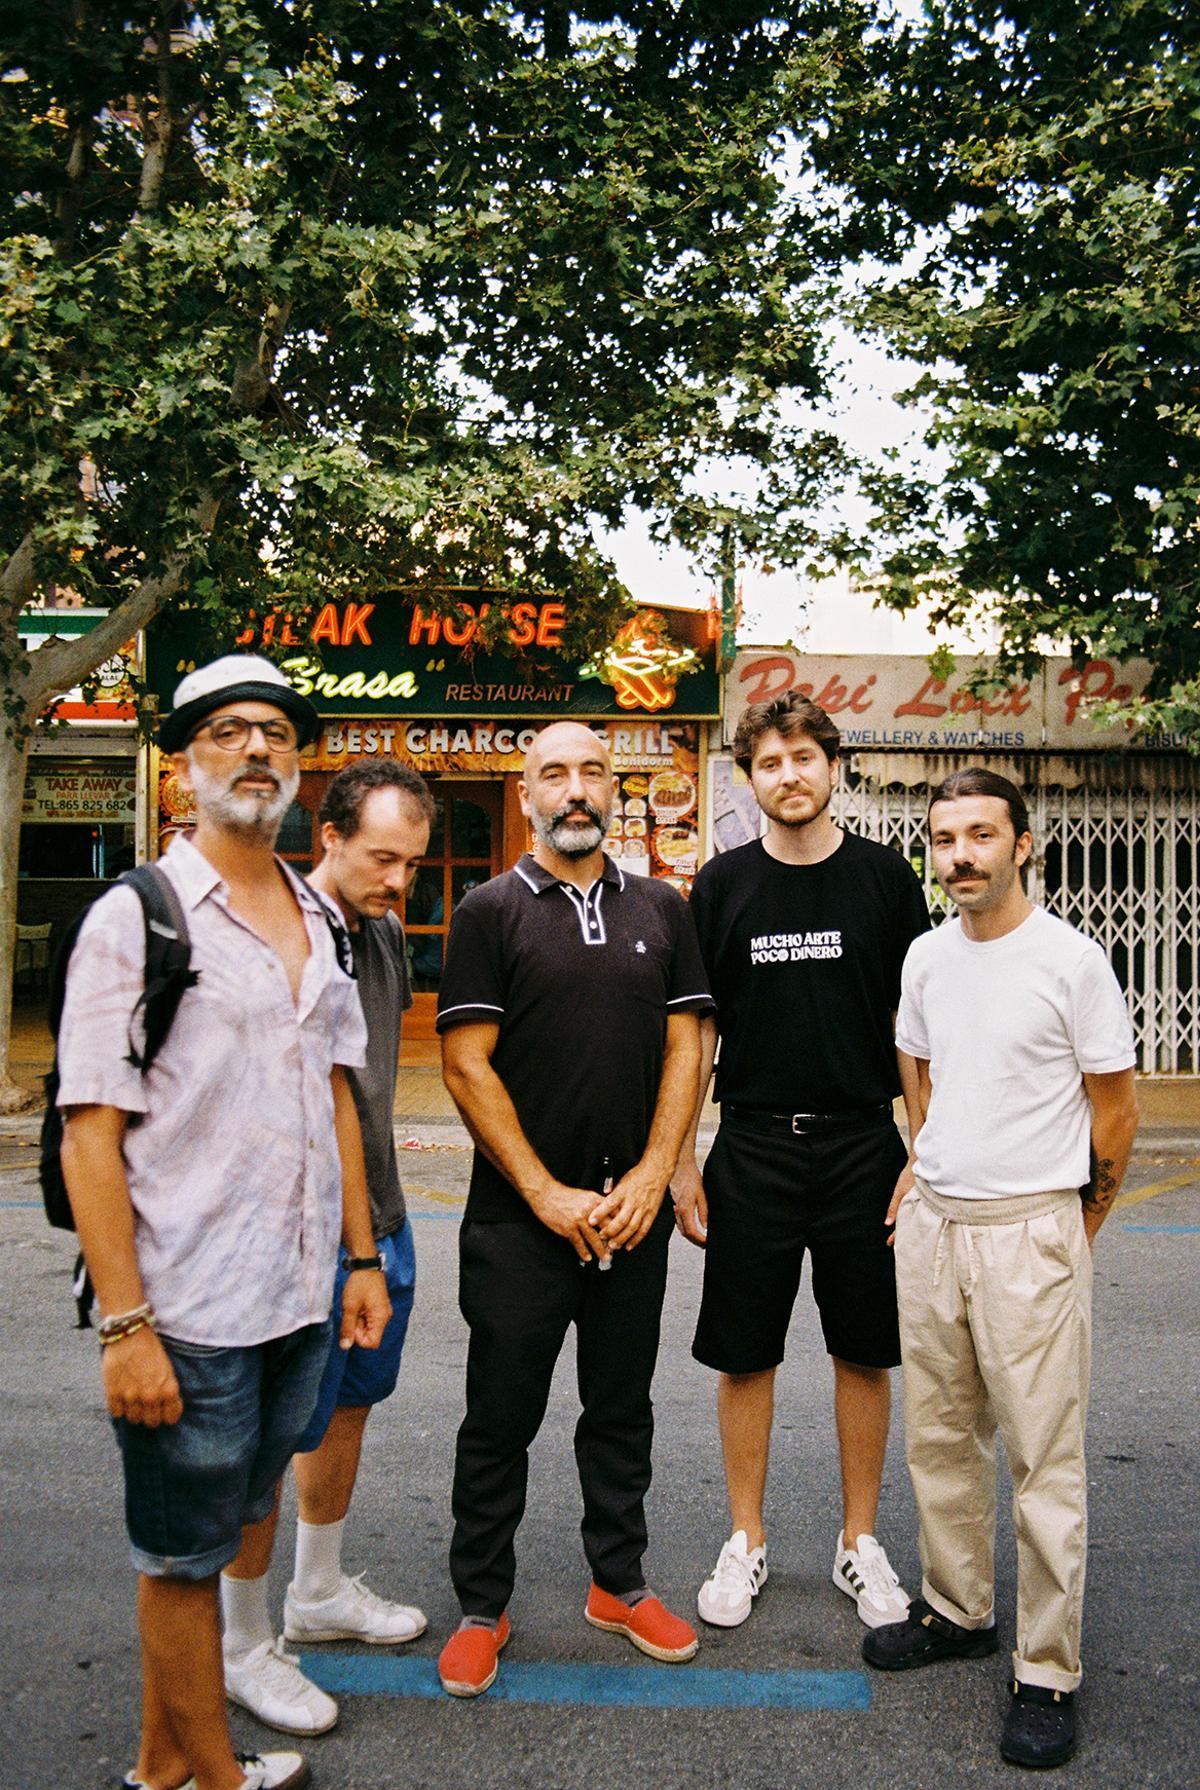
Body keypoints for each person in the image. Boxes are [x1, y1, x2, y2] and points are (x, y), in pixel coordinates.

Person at [57, 655, 391, 1790]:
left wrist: (359, 1257)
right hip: (186, 1308)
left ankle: (161, 1765)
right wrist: (126, 1326)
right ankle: (211, 1776)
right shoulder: (138, 916)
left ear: (297, 766)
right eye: (228, 731)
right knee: (181, 1560)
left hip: (295, 1295)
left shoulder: (318, 914)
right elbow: (89, 1133)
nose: (256, 748)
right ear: (185, 762)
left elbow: (336, 1093)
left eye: (276, 734)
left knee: (230, 1524)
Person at [863, 767, 1139, 1770]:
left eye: (981, 834)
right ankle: (958, 1608)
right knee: (940, 1435)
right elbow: (918, 1063)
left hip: (1032, 1229)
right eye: (945, 838)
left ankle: (1048, 1669)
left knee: (1042, 1459)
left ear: (1024, 845)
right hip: (935, 1226)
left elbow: (1117, 1108)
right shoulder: (927, 957)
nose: (961, 855)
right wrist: (926, 1155)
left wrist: (1079, 1222)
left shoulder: (1071, 961)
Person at [433, 721, 711, 1697]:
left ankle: (618, 1583)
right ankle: (482, 1605)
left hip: (631, 1217)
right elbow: (465, 1064)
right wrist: (544, 1191)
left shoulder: (663, 908)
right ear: (527, 794)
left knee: (621, 1407)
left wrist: (655, 1171)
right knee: (498, 1418)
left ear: (615, 787)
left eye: (593, 770)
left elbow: (688, 1044)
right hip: (519, 1223)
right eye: (554, 774)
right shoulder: (489, 911)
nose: (576, 789)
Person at [672, 692, 930, 1632]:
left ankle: (859, 1541)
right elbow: (697, 1035)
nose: (789, 775)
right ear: (750, 779)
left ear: (834, 767)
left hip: (864, 1143)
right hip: (752, 1145)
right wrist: (682, 1158)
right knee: (745, 1353)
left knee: (864, 1349)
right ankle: (747, 1537)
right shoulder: (721, 885)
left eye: (804, 758)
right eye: (770, 762)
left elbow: (913, 1026)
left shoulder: (885, 878)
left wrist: (922, 1149)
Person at [219, 761, 435, 1737]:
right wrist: (349, 1250)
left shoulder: (380, 932)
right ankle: (241, 1644)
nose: (400, 880)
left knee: (348, 1405)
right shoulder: (281, 932)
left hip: (379, 1218)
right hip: (296, 1232)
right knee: (266, 1438)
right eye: (383, 858)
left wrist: (374, 1239)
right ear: (331, 838)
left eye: (413, 863)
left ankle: (316, 1590)